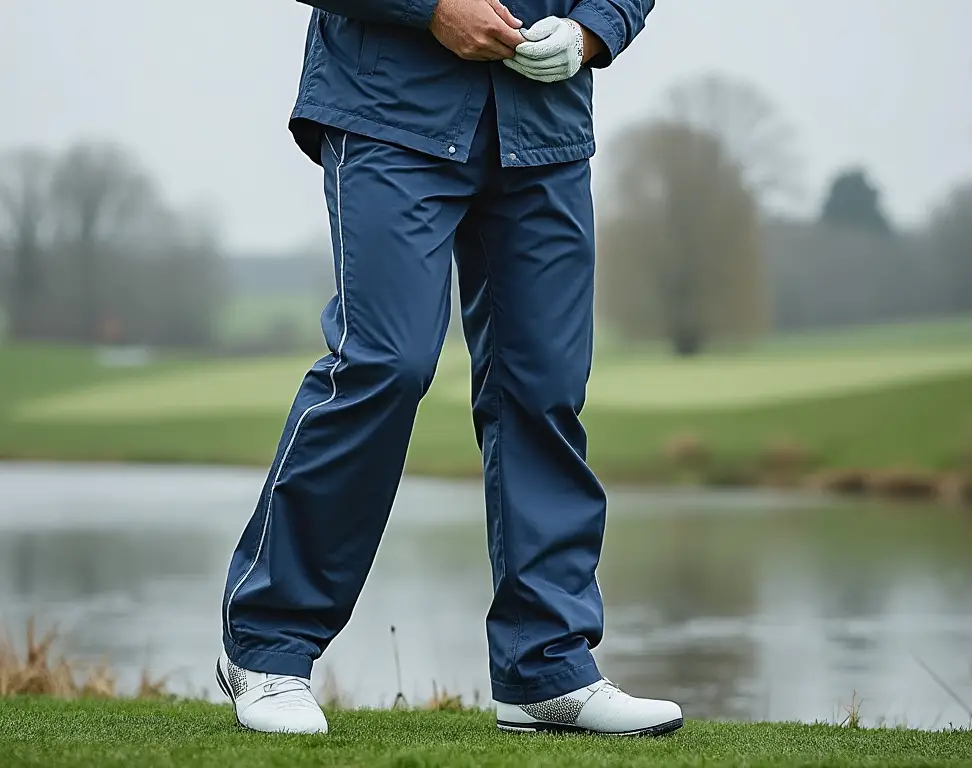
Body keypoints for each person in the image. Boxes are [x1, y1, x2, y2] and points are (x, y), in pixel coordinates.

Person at [216, 0, 683, 737]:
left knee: (545, 388)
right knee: (385, 361)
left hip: (545, 125)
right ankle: (267, 648)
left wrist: (595, 28)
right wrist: (431, 9)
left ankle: (547, 670)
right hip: (390, 109)